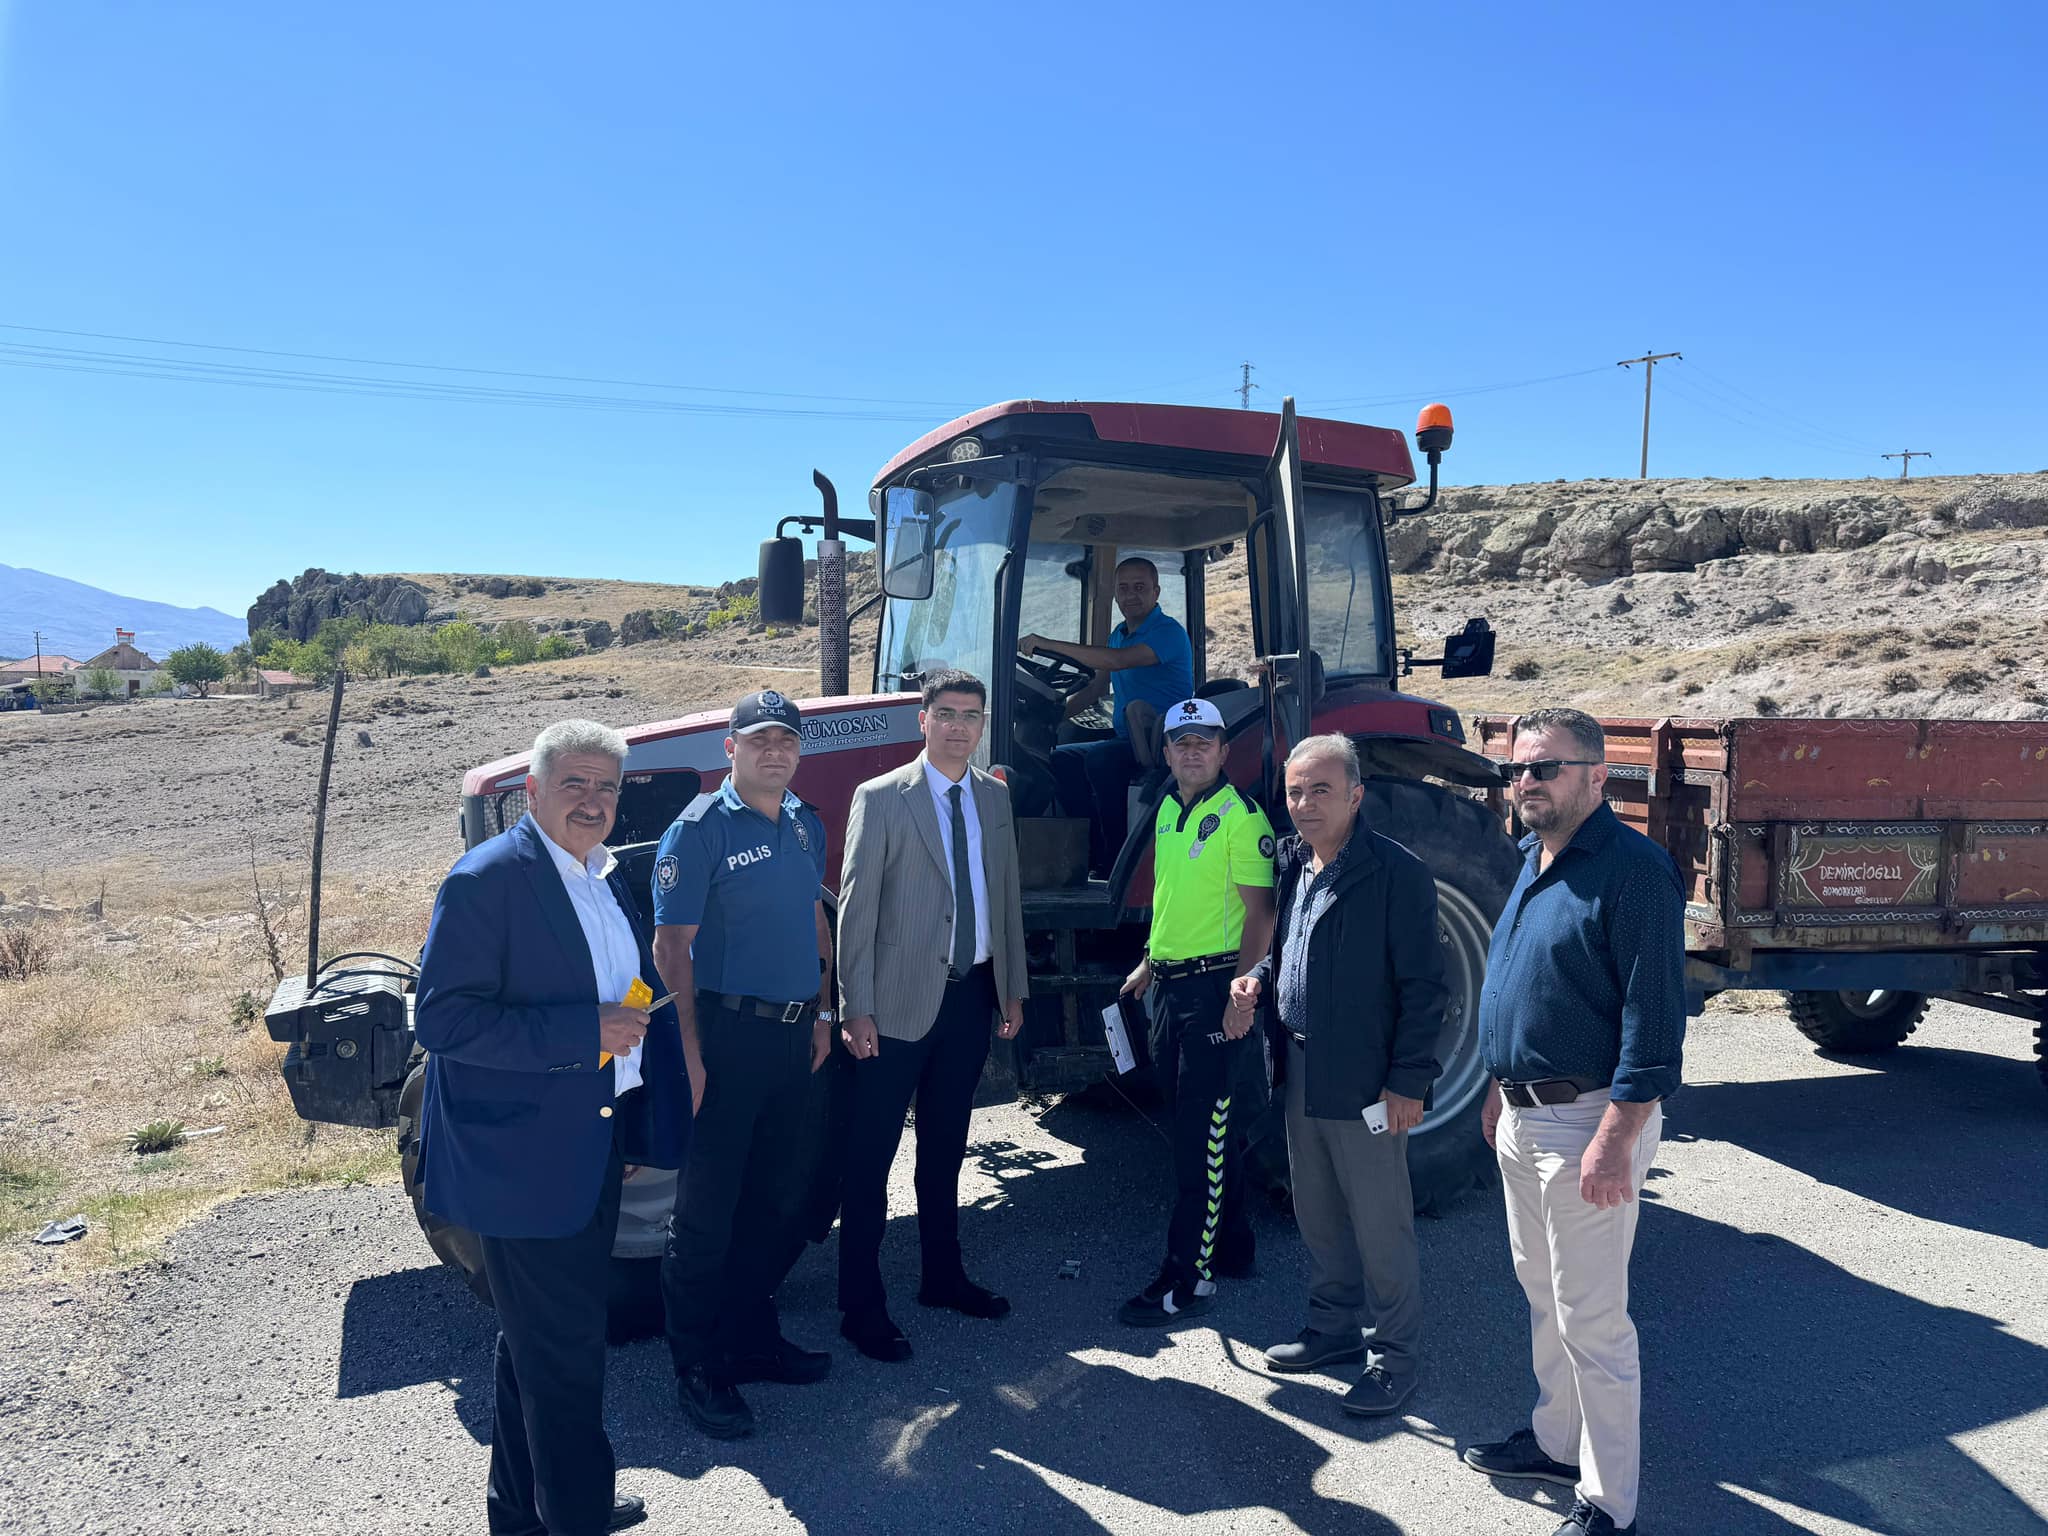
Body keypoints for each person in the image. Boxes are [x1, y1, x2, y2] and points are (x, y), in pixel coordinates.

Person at [414, 719, 689, 1536]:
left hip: (590, 1144)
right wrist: (582, 1033)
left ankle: (521, 1516)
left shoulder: (601, 877)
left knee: (535, 1342)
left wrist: (632, 1123)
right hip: (522, 1161)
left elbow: (626, 1004)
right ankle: (575, 1514)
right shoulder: (486, 880)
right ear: (532, 792)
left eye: (607, 787)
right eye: (575, 783)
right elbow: (443, 1021)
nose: (594, 801)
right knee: (566, 1360)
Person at [1460, 708, 1685, 1536]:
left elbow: (1655, 1023)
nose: (1527, 783)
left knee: (1593, 1317)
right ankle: (1557, 1442)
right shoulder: (1535, 857)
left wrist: (1617, 1136)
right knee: (1544, 1297)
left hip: (1587, 1121)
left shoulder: (1632, 870)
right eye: (1519, 769)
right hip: (1523, 1113)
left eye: (1546, 768)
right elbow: (1527, 983)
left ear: (1596, 775)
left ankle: (1608, 1503)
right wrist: (1496, 1083)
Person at [1231, 734, 1446, 1418]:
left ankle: (1396, 1358)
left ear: (1356, 793)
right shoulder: (1299, 866)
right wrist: (1257, 980)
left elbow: (1423, 987)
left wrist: (1408, 1081)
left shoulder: (1395, 873)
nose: (1303, 804)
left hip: (1366, 1080)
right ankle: (1331, 1332)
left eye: (1320, 789)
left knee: (1381, 1224)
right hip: (1302, 1068)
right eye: (1295, 791)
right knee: (1317, 1211)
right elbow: (1292, 954)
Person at [651, 690, 835, 1440]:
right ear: (729, 749)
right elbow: (670, 948)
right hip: (727, 1037)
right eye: (759, 740)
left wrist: (823, 1009)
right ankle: (696, 1364)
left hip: (794, 1037)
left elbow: (814, 916)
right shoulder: (697, 831)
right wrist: (690, 1050)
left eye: (786, 740)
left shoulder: (801, 819)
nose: (774, 752)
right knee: (707, 1213)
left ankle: (751, 1334)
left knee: (777, 1197)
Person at [834, 669, 1029, 1361]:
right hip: (892, 1005)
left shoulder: (995, 798)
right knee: (870, 1159)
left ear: (982, 725)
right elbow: (855, 911)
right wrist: (854, 1006)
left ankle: (942, 1278)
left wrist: (1013, 987)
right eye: (945, 713)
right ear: (922, 720)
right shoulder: (882, 797)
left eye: (970, 715)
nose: (957, 726)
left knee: (945, 1150)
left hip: (971, 996)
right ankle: (860, 1306)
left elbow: (1004, 897)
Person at [1115, 697, 1276, 1325]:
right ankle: (1234, 1247)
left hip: (1217, 991)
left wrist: (1244, 991)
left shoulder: (1240, 817)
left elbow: (1259, 916)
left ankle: (1187, 1279)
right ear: (1167, 752)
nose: (1191, 750)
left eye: (1203, 741)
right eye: (1180, 741)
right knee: (1207, 1125)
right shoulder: (1168, 808)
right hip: (1171, 985)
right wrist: (1150, 961)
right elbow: (1170, 896)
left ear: (1222, 750)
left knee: (1198, 1138)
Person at [1022, 555, 1195, 872]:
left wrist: (1047, 643)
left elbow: (1117, 661)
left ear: (1156, 592)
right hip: (1129, 737)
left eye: (1140, 587)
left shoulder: (1168, 633)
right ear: (1115, 593)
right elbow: (1096, 689)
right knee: (1061, 758)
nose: (1131, 595)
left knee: (1102, 759)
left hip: (1168, 741)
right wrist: (1052, 719)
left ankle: (1117, 861)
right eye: (1124, 588)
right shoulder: (1118, 634)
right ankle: (1087, 850)